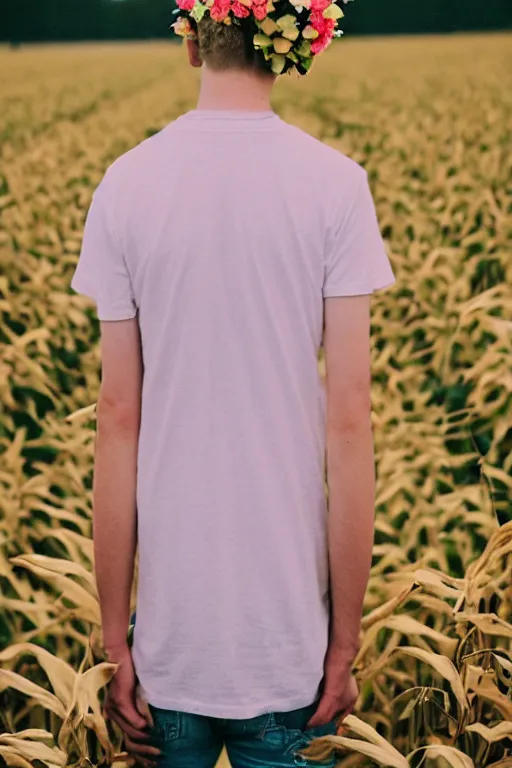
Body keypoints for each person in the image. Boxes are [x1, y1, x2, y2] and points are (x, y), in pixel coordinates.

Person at [70, 1, 396, 765]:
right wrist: (344, 642)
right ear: (295, 48)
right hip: (288, 648)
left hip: (171, 650)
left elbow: (117, 418)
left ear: (192, 43)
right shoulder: (337, 187)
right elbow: (350, 421)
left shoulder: (125, 184)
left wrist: (117, 640)